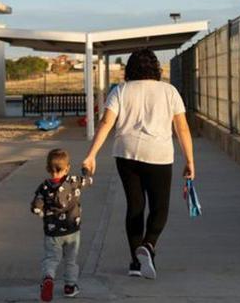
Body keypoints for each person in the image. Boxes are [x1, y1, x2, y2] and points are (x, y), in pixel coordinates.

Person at [82, 48, 194, 280]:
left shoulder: (121, 91)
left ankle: (136, 262)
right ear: (156, 68)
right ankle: (149, 245)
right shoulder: (169, 91)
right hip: (159, 155)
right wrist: (189, 160)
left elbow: (106, 123)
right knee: (159, 207)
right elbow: (181, 128)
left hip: (126, 154)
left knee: (135, 206)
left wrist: (91, 155)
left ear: (130, 68)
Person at [30, 149, 93, 301]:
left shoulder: (44, 187)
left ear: (47, 169)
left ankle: (48, 278)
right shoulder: (73, 181)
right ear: (67, 168)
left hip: (52, 232)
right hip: (72, 229)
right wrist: (86, 170)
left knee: (51, 258)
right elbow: (88, 180)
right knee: (71, 260)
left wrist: (41, 211)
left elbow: (36, 207)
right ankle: (70, 287)